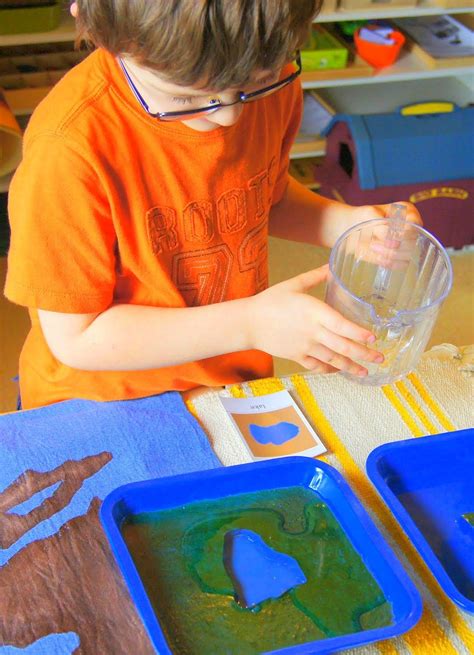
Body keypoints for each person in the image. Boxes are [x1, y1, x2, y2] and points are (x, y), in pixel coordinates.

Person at [5, 0, 421, 410]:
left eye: (253, 84)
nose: (229, 117)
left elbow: (263, 199)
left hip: (227, 385)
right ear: (91, 19)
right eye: (188, 98)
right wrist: (251, 323)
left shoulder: (264, 75)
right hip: (100, 402)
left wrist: (346, 225)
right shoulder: (67, 150)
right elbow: (79, 337)